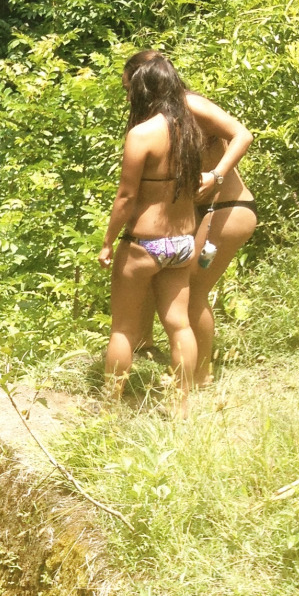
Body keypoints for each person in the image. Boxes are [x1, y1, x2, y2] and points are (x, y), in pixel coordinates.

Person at [124, 50, 255, 386]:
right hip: (201, 215)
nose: (129, 97)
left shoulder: (190, 104)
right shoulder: (165, 118)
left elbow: (243, 134)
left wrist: (217, 176)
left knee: (194, 290)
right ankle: (148, 349)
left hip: (226, 211)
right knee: (159, 275)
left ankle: (201, 376)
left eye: (129, 88)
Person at [97, 52, 203, 415]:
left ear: (142, 90)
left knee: (123, 330)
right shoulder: (190, 130)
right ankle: (181, 404)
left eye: (129, 89)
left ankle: (110, 407)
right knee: (179, 325)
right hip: (183, 241)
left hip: (144, 243)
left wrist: (108, 242)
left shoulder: (142, 135)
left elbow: (126, 197)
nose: (128, 96)